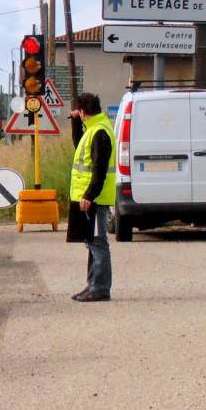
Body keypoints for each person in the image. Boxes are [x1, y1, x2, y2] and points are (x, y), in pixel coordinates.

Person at [68, 93, 116, 303]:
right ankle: (92, 285)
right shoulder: (94, 129)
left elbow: (99, 168)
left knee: (98, 242)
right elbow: (78, 144)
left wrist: (89, 194)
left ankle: (100, 288)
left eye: (79, 112)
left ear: (83, 111)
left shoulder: (100, 132)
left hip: (94, 198)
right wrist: (76, 124)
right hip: (88, 197)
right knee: (91, 241)